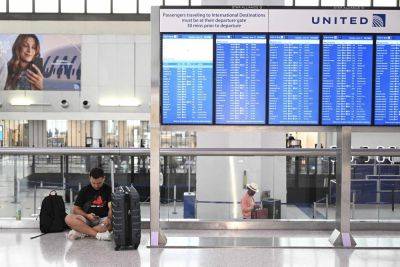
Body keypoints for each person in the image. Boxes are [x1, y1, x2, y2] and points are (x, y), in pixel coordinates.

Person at [65, 167, 112, 241]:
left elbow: (111, 207)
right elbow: (76, 209)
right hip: (87, 220)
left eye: (99, 183)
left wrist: (109, 218)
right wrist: (87, 215)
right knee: (68, 218)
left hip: (103, 220)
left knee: (112, 224)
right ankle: (97, 235)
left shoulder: (109, 190)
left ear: (104, 178)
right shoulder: (84, 190)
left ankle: (81, 232)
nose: (96, 186)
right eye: (93, 183)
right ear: (89, 178)